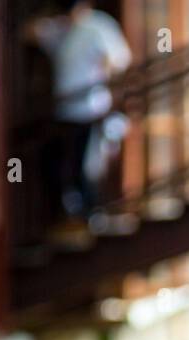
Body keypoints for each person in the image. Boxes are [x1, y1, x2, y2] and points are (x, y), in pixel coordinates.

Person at [23, 1, 132, 234]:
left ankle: (91, 215)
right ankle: (65, 215)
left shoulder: (98, 26)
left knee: (84, 164)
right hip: (63, 111)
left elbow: (119, 59)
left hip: (89, 109)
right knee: (58, 163)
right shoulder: (63, 28)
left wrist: (102, 71)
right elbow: (30, 33)